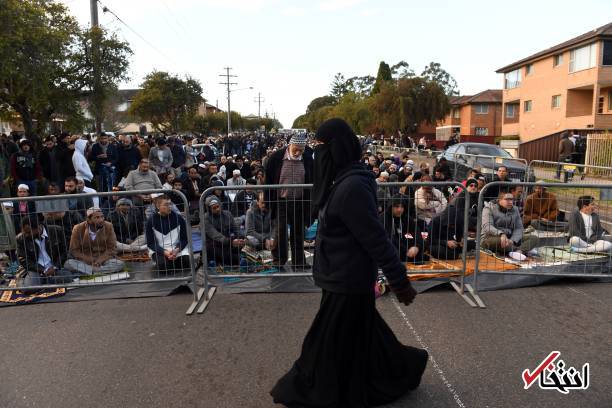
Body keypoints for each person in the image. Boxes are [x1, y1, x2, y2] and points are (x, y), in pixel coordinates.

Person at [271, 118, 427, 407]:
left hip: (348, 280)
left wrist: (399, 279)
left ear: (336, 148)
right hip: (339, 276)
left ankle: (315, 388)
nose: (317, 153)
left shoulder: (352, 186)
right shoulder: (342, 180)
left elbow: (375, 238)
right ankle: (405, 366)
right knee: (365, 336)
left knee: (325, 343)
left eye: (321, 146)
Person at [264, 133, 314, 269]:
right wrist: (268, 201)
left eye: (301, 150)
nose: (298, 152)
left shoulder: (308, 159)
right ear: (289, 145)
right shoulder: (276, 157)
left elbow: (312, 179)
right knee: (280, 231)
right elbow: (268, 180)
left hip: (300, 201)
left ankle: (299, 262)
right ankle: (279, 260)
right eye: (295, 149)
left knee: (298, 232)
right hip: (281, 201)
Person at [64, 207, 125, 275]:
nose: (101, 220)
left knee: (120, 264)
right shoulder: (78, 228)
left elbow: (112, 248)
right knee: (68, 263)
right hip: (85, 260)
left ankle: (90, 271)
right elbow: (74, 250)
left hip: (104, 259)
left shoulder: (108, 226)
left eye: (102, 217)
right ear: (88, 220)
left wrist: (99, 260)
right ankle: (97, 271)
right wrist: (91, 260)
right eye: (97, 217)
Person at [16, 217, 72, 287]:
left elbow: (64, 251)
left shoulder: (57, 230)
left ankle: (43, 281)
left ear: (39, 227)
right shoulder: (21, 239)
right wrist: (43, 270)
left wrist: (55, 267)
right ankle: (39, 280)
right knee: (29, 288)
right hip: (36, 269)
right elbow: (24, 260)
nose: (26, 234)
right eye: (24, 232)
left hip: (54, 267)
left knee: (68, 277)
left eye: (28, 232)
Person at [481, 190, 538, 256]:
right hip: (490, 237)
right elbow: (487, 226)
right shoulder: (489, 208)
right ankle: (522, 250)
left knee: (534, 238)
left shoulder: (515, 209)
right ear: (500, 200)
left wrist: (513, 240)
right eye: (507, 200)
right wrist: (501, 234)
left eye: (512, 199)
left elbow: (519, 228)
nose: (510, 202)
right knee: (501, 242)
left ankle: (519, 251)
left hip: (509, 237)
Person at [145, 195, 191, 274]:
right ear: (158, 206)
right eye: (166, 204)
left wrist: (177, 250)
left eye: (170, 204)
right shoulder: (150, 221)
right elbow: (151, 243)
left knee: (187, 262)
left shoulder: (179, 218)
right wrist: (164, 252)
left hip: (176, 249)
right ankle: (165, 262)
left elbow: (184, 239)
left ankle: (171, 262)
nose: (169, 206)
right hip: (160, 250)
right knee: (164, 267)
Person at [381, 195, 428, 264]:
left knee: (420, 249)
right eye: (396, 207)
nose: (399, 209)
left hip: (404, 246)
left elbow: (417, 233)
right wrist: (406, 250)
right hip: (391, 247)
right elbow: (389, 238)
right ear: (391, 207)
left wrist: (416, 247)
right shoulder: (384, 219)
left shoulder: (406, 218)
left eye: (402, 207)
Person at [203, 195, 244, 266]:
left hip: (228, 242)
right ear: (209, 209)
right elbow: (215, 235)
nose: (217, 209)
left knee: (243, 244)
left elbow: (235, 229)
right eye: (214, 208)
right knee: (214, 250)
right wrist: (230, 242)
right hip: (215, 244)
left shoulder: (227, 214)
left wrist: (241, 238)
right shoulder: (205, 218)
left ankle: (217, 261)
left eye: (218, 206)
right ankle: (238, 259)